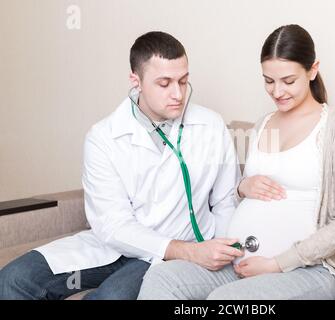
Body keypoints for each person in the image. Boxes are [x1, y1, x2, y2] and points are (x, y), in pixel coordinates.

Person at [0, 31, 243, 300]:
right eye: (164, 83)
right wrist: (186, 251)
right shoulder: (103, 136)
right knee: (13, 279)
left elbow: (224, 202)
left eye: (183, 81)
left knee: (110, 297)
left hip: (171, 253)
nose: (178, 94)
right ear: (136, 81)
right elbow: (113, 225)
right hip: (115, 247)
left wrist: (219, 255)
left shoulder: (210, 125)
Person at [138, 24, 335, 300]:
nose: (277, 91)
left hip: (307, 270)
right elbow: (235, 196)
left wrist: (276, 263)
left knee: (227, 301)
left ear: (312, 70)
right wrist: (243, 187)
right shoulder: (264, 124)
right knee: (162, 277)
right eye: (269, 81)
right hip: (240, 261)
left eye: (288, 81)